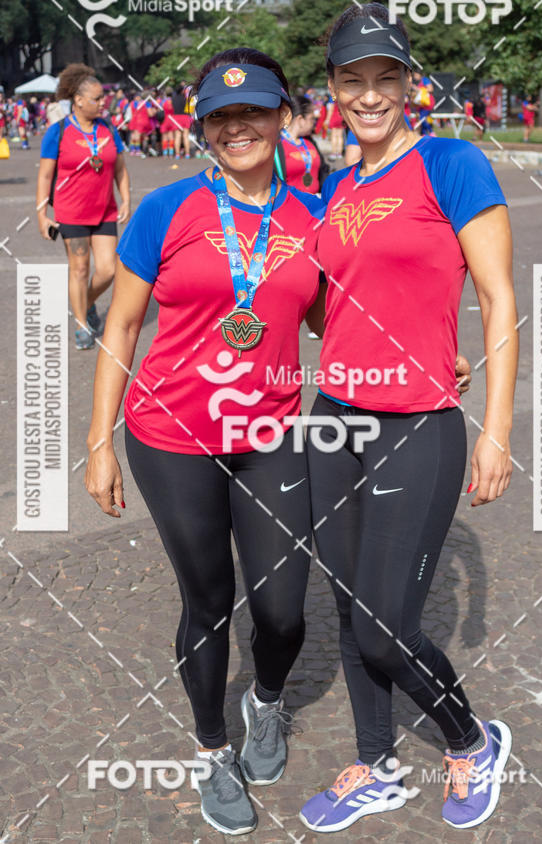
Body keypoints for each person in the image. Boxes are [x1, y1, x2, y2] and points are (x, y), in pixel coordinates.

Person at [84, 48, 326, 837]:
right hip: (171, 437)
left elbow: (327, 316)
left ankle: (264, 702)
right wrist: (98, 440)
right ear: (204, 128)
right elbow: (121, 325)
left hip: (272, 434)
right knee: (210, 602)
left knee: (284, 612)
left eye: (254, 110)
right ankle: (212, 750)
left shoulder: (310, 215)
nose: (238, 126)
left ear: (282, 117)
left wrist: (422, 355)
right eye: (222, 116)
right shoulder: (167, 209)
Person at [299, 2, 518, 834]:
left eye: (384, 78)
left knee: (385, 624)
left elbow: (498, 300)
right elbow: (332, 311)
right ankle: (377, 761)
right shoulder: (335, 184)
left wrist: (495, 428)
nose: (369, 95)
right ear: (333, 91)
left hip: (416, 423)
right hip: (335, 419)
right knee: (350, 602)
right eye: (352, 81)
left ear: (409, 84)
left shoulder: (451, 163)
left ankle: (471, 740)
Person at [37, 63, 131, 349]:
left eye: (103, 98)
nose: (103, 103)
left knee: (109, 270)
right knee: (79, 268)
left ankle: (86, 303)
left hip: (104, 210)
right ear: (78, 101)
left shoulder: (108, 128)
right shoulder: (59, 131)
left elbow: (120, 169)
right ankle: (81, 323)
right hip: (71, 211)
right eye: (97, 99)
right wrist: (41, 214)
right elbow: (44, 175)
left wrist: (126, 198)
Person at [275, 94, 327, 193]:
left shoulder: (309, 140)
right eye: (312, 119)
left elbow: (323, 170)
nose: (314, 123)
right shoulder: (276, 144)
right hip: (290, 204)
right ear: (300, 120)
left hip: (315, 202)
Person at [170, 83, 192, 158]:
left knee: (177, 136)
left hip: (176, 118)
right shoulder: (185, 99)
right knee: (186, 136)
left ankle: (177, 154)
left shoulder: (173, 99)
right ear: (182, 91)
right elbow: (189, 109)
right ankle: (187, 154)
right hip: (185, 117)